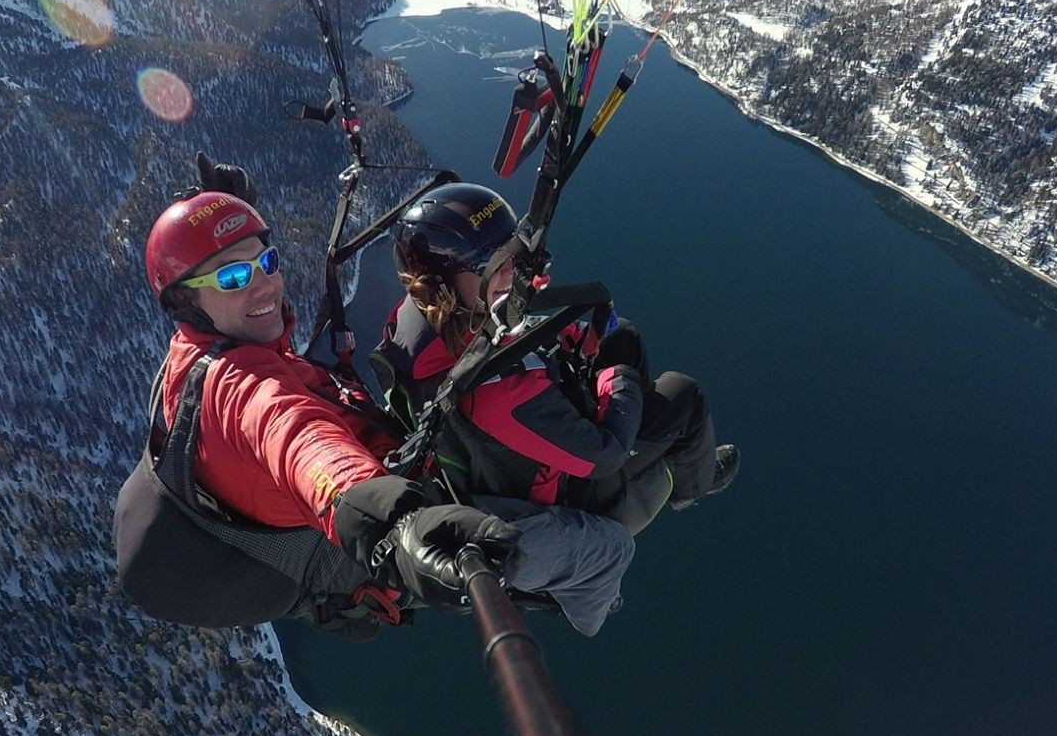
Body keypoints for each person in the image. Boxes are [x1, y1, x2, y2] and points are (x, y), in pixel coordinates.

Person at [113, 170, 519, 638]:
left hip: (370, 467)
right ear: (185, 300)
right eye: (233, 276)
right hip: (380, 532)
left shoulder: (203, 346)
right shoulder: (240, 388)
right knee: (581, 548)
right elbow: (296, 439)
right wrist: (397, 523)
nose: (266, 285)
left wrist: (220, 213)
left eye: (266, 261)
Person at [373, 183, 737, 630]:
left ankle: (642, 418)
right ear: (443, 284)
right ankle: (693, 483)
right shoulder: (497, 394)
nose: (513, 272)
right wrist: (617, 375)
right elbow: (604, 453)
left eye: (514, 255)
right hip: (569, 488)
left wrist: (569, 340)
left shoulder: (420, 323)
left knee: (621, 334)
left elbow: (500, 339)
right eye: (492, 265)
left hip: (511, 448)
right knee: (683, 396)